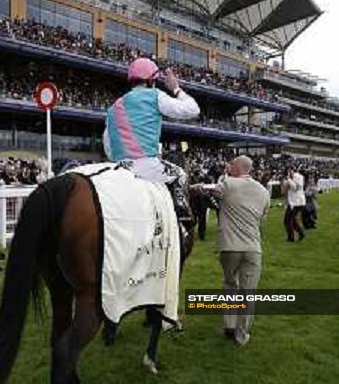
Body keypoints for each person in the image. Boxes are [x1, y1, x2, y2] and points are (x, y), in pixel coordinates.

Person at [102, 57, 200, 225]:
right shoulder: (155, 96)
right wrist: (176, 89)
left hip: (118, 167)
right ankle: (182, 219)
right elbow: (193, 110)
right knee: (181, 175)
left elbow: (109, 149)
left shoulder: (114, 107)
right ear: (150, 81)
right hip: (147, 166)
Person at [193, 156, 270, 346]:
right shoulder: (262, 190)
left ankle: (229, 325)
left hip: (230, 247)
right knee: (248, 292)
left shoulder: (228, 182)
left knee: (230, 285)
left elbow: (210, 189)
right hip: (253, 247)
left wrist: (199, 188)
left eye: (231, 165)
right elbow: (262, 218)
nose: (228, 167)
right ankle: (241, 335)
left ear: (238, 168)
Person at [283, 167, 306, 242]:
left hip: (297, 202)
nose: (289, 173)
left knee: (287, 220)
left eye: (290, 171)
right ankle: (300, 233)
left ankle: (292, 237)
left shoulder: (299, 177)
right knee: (291, 219)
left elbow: (295, 188)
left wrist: (289, 179)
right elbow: (285, 190)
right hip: (294, 202)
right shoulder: (293, 178)